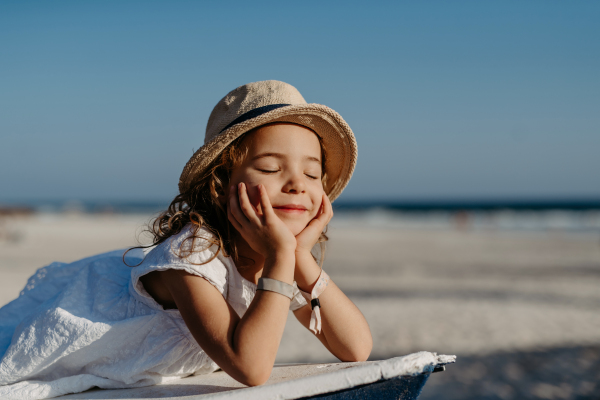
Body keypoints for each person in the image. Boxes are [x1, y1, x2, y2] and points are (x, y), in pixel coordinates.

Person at [0, 80, 373, 399]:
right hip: (69, 338)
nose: (296, 184)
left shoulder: (280, 256)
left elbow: (356, 348)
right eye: (271, 168)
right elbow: (251, 367)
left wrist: (300, 257)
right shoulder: (192, 256)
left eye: (312, 173)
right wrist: (282, 257)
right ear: (222, 183)